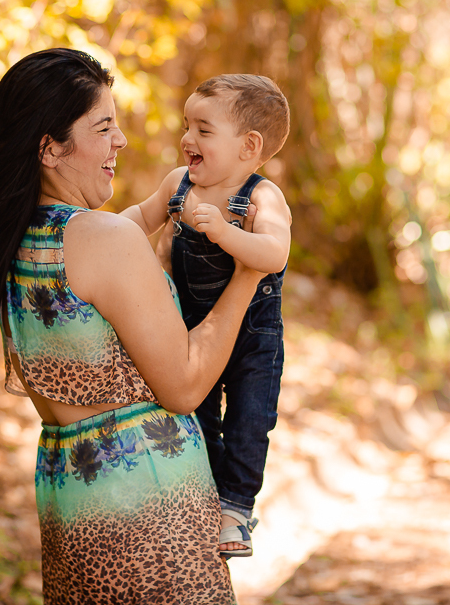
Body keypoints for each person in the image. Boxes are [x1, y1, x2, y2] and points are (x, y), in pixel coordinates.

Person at [0, 48, 264, 605]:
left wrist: (162, 225)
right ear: (50, 147)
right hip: (150, 507)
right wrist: (248, 277)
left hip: (72, 498)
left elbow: (107, 278)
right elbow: (184, 386)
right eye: (103, 127)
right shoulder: (103, 240)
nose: (121, 142)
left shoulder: (12, 239)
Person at [121, 74, 292, 558]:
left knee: (249, 418)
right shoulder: (178, 185)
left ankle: (235, 509)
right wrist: (97, 231)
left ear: (248, 146)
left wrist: (224, 232)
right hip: (191, 326)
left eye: (203, 129)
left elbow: (273, 253)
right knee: (196, 416)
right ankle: (202, 496)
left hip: (253, 337)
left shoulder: (261, 197)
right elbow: (139, 220)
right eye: (186, 125)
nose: (187, 139)